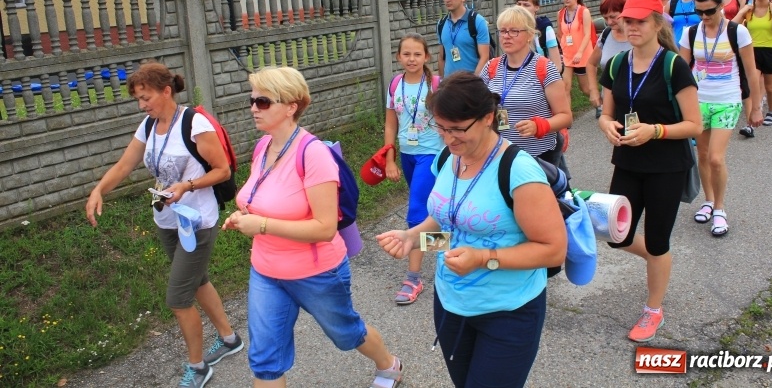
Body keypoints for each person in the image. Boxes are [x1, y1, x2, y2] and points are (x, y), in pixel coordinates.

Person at [377, 72, 567, 388]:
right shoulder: (446, 158)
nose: (448, 138)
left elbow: (553, 249)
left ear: (488, 118)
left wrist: (482, 259)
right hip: (451, 304)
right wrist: (413, 238)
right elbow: (451, 227)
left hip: (508, 313)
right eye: (440, 127)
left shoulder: (518, 171)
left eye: (457, 129)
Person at [223, 66, 403, 388]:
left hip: (316, 273)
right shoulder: (263, 147)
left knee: (348, 334)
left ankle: (389, 365)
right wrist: (242, 217)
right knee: (265, 360)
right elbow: (262, 196)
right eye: (252, 100)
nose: (253, 107)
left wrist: (261, 225)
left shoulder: (314, 154)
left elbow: (324, 228)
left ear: (291, 106)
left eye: (263, 101)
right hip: (266, 270)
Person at [85, 62, 241, 388]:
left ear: (166, 91)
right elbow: (126, 163)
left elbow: (222, 171)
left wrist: (187, 186)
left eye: (146, 97)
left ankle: (198, 368)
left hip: (197, 220)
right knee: (197, 282)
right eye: (139, 100)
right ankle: (230, 340)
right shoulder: (148, 125)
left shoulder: (194, 124)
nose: (142, 105)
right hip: (168, 220)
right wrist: (99, 189)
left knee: (178, 299)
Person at [598, 0, 702, 342]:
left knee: (657, 241)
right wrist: (606, 126)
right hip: (627, 160)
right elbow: (606, 113)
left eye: (639, 21)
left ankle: (653, 308)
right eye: (627, 21)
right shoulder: (616, 64)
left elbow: (694, 125)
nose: (631, 27)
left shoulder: (674, 65)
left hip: (666, 165)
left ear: (657, 23)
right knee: (616, 234)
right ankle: (660, 260)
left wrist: (654, 131)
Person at [678, 0, 762, 237]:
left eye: (710, 11)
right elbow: (681, 69)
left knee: (716, 157)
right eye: (699, 12)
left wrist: (756, 107)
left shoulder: (738, 32)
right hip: (698, 100)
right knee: (701, 155)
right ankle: (708, 199)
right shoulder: (690, 33)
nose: (704, 17)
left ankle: (720, 208)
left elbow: (751, 72)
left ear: (721, 6)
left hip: (727, 99)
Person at [384, 32, 444, 305]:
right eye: (406, 54)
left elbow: (447, 120)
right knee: (430, 210)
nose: (411, 59)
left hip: (430, 155)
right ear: (398, 57)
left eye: (417, 54)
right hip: (407, 155)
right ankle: (449, 244)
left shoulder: (435, 84)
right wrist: (389, 158)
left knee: (416, 212)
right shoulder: (395, 83)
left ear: (426, 57)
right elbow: (390, 124)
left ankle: (413, 278)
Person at [480, 6, 572, 168]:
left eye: (514, 31)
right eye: (503, 31)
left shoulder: (544, 68)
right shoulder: (491, 67)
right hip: (500, 153)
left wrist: (539, 126)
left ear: (530, 34)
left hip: (538, 156)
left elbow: (565, 116)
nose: (506, 37)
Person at [732, 0, 772, 129]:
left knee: (770, 87)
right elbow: (732, 26)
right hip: (752, 51)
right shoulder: (749, 11)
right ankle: (754, 115)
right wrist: (742, 10)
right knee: (753, 83)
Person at [436, 0, 491, 77]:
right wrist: (441, 83)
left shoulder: (477, 21)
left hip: (471, 84)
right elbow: (441, 57)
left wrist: (472, 82)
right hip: (450, 86)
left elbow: (484, 57)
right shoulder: (441, 23)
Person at [587, 0, 629, 119]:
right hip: (610, 102)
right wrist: (593, 90)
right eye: (605, 18)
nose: (609, 22)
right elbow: (590, 64)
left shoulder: (637, 35)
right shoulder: (606, 35)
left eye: (613, 17)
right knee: (615, 136)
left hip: (637, 100)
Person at [558, 0, 594, 100]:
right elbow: (560, 34)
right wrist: (562, 50)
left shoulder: (584, 11)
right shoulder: (560, 13)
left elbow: (587, 34)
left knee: (585, 89)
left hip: (582, 55)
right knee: (565, 87)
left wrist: (579, 52)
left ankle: (602, 105)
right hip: (568, 55)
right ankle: (568, 117)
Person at [514, 0, 562, 70]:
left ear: (536, 7)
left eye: (526, 5)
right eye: (519, 4)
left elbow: (557, 66)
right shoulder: (511, 28)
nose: (521, 8)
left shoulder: (545, 28)